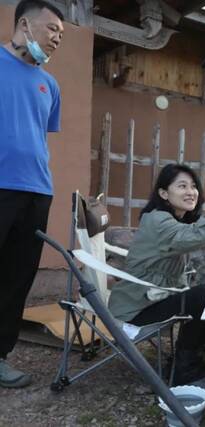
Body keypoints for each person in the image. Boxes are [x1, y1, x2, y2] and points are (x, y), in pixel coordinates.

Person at [108, 164, 205, 392]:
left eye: (193, 186)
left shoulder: (173, 220)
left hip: (154, 299)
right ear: (164, 193)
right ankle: (186, 371)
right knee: (203, 295)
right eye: (182, 186)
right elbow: (194, 236)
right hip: (136, 309)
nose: (191, 191)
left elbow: (196, 235)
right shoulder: (158, 220)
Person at [0, 0, 65, 389]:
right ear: (25, 24)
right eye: (52, 29)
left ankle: (0, 357)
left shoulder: (50, 84)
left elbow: (37, 138)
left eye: (61, 34)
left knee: (17, 279)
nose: (57, 39)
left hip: (37, 192)